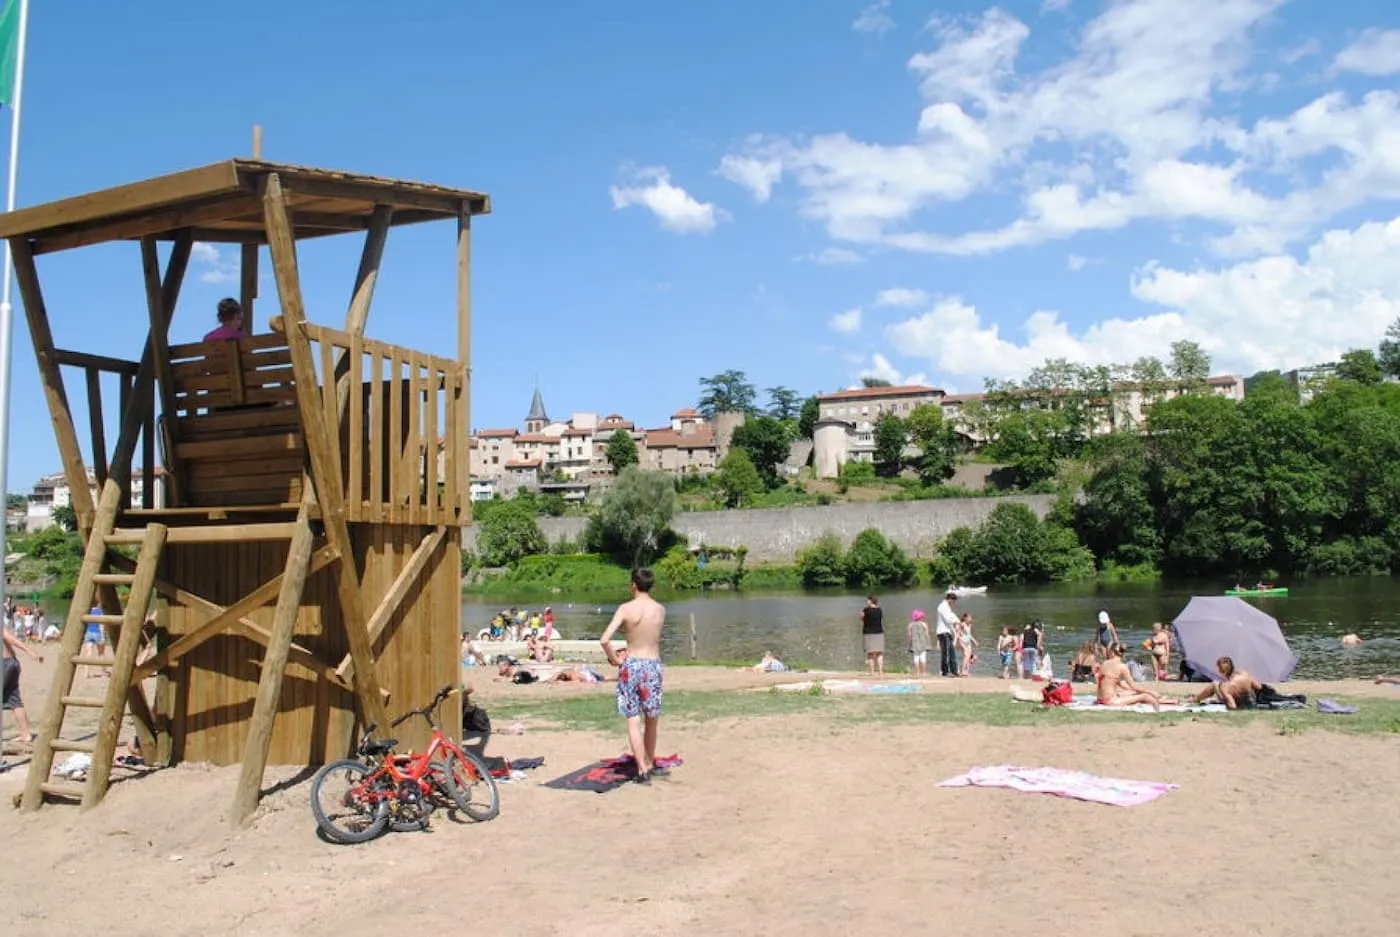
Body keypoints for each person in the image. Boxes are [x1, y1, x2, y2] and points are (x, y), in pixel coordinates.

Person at [600, 568, 667, 783]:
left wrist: (615, 659)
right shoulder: (660, 610)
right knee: (652, 718)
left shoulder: (625, 609)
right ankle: (650, 761)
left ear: (633, 585)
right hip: (652, 665)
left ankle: (642, 769)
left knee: (633, 718)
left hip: (632, 664)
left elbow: (604, 640)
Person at [1097, 643, 1170, 710]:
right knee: (1144, 696)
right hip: (1111, 701)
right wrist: (1150, 691)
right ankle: (1160, 703)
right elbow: (1134, 686)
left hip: (1100, 699)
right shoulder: (1122, 666)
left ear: (1112, 652)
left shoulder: (1104, 663)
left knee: (1129, 692)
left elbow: (1120, 683)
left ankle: (1158, 697)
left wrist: (1132, 691)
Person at [2, 627, 43, 746]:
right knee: (14, 699)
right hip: (11, 662)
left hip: (4, 664)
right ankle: (26, 735)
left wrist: (29, 651)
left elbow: (7, 636)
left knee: (13, 698)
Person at [1189, 656, 1261, 710]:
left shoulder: (1227, 685)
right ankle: (1196, 698)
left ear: (1221, 670)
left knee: (1215, 684)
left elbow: (1232, 706)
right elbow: (1258, 687)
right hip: (1252, 699)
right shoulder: (1243, 673)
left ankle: (1195, 699)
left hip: (1239, 703)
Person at [934, 591, 959, 677]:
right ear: (950, 599)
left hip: (947, 631)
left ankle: (954, 670)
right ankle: (945, 671)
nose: (954, 603)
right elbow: (948, 619)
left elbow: (952, 616)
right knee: (946, 652)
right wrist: (956, 622)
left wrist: (957, 622)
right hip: (942, 631)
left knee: (952, 651)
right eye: (954, 601)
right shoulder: (943, 606)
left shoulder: (947, 607)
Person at [858, 595, 884, 675]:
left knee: (870, 653)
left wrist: (863, 618)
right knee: (879, 653)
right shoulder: (880, 610)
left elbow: (860, 618)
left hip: (868, 633)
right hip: (879, 633)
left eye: (867, 600)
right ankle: (880, 671)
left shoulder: (865, 610)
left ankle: (872, 672)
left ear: (871, 601)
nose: (866, 602)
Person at [907, 610, 931, 677]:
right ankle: (923, 672)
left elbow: (909, 636)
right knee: (923, 658)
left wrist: (909, 644)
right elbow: (927, 634)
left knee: (916, 657)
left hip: (914, 642)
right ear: (921, 617)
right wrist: (929, 642)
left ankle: (917, 672)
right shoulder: (924, 624)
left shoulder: (910, 625)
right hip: (923, 642)